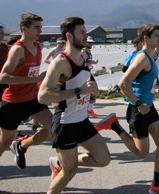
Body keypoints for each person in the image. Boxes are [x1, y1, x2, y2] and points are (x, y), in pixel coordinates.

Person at [95, 24, 159, 194]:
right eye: (155, 36)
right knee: (141, 153)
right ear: (146, 38)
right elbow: (123, 83)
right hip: (138, 109)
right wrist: (138, 104)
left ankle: (156, 184)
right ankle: (114, 125)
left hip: (149, 106)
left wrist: (157, 90)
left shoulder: (152, 56)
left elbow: (140, 84)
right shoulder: (142, 58)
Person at [38, 17, 110, 194]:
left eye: (86, 32)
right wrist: (79, 91)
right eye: (82, 32)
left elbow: (86, 90)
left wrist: (92, 95)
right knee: (69, 172)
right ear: (69, 36)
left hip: (82, 121)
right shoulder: (60, 62)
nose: (86, 36)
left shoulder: (83, 58)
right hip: (65, 124)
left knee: (103, 159)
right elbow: (43, 96)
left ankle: (59, 162)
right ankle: (61, 166)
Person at [0, 13, 52, 169]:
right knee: (4, 143)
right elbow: (4, 78)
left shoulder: (37, 47)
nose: (40, 31)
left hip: (32, 99)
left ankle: (22, 145)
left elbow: (34, 74)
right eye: (36, 28)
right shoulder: (17, 50)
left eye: (41, 27)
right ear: (23, 29)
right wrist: (35, 79)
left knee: (54, 130)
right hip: (13, 102)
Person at [82, 36, 99, 118]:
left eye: (92, 42)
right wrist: (93, 62)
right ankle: (87, 110)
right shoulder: (83, 51)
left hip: (88, 72)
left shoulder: (89, 51)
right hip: (84, 73)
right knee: (91, 91)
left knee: (94, 92)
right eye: (89, 42)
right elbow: (84, 61)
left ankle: (89, 109)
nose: (91, 44)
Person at [0, 22, 9, 114]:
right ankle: (9, 127)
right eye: (1, 33)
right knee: (3, 104)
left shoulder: (4, 47)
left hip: (3, 80)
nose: (3, 35)